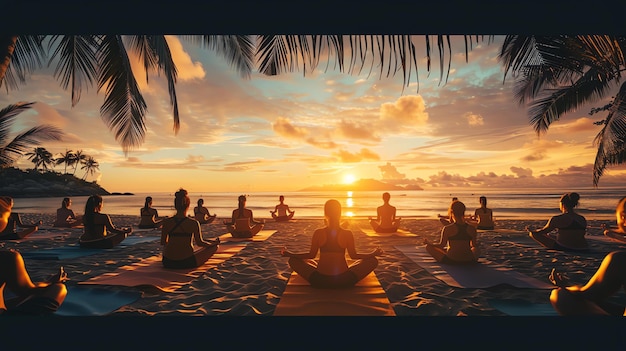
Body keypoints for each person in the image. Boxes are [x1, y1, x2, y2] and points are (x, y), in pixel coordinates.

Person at [281, 199, 383, 288]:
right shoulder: (347, 233)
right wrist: (373, 253)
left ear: (325, 214)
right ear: (339, 214)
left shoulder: (318, 233)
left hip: (319, 281)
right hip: (344, 281)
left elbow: (311, 255)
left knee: (294, 260)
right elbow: (354, 256)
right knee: (372, 261)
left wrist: (290, 254)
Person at [549, 198, 626, 315]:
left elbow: (587, 295)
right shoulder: (581, 219)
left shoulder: (620, 260)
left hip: (618, 331)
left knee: (561, 296)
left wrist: (567, 286)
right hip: (582, 247)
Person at [161, 188, 219, 269]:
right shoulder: (194, 223)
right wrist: (212, 244)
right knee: (214, 247)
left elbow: (163, 242)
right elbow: (200, 243)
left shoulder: (167, 222)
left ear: (175, 205)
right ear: (188, 205)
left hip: (168, 262)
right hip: (186, 262)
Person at [0, 248, 68, 315]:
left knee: (18, 300)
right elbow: (28, 291)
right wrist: (50, 283)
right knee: (59, 288)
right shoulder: (7, 257)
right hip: (7, 320)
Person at [424, 200, 480, 264]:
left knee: (428, 247)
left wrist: (430, 244)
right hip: (469, 260)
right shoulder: (472, 228)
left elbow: (441, 245)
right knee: (476, 249)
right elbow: (473, 245)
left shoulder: (448, 228)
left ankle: (449, 252)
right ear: (463, 212)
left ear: (452, 212)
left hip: (452, 260)